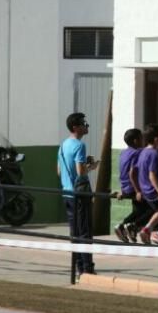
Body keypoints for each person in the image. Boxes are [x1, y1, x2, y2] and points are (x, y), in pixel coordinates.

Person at [57, 113, 97, 276]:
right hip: (79, 195)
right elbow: (81, 172)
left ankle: (78, 266)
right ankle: (87, 268)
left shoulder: (63, 145)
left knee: (74, 231)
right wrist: (91, 167)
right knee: (85, 231)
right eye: (83, 123)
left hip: (67, 193)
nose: (86, 126)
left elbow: (59, 171)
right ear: (76, 127)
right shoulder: (79, 146)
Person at [136, 123, 158, 246]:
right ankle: (155, 232)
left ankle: (151, 230)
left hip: (145, 190)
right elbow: (152, 175)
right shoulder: (154, 154)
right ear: (156, 139)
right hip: (152, 191)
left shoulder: (143, 152)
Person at [113, 128, 144, 243]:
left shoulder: (123, 153)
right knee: (150, 209)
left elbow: (123, 172)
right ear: (136, 141)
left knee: (137, 210)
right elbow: (132, 173)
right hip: (133, 187)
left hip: (126, 187)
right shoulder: (137, 153)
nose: (143, 140)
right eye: (141, 138)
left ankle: (130, 229)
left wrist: (123, 189)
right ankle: (124, 225)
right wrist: (138, 190)